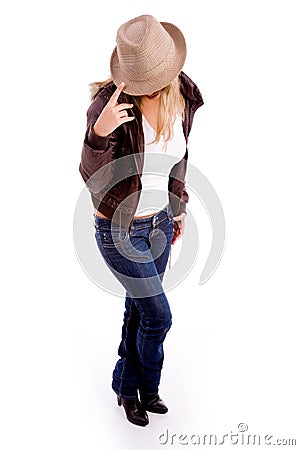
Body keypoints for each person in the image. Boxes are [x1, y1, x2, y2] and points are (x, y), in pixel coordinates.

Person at [79, 14, 204, 427]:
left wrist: (178, 206)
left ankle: (129, 388)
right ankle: (142, 387)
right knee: (158, 315)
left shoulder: (181, 93)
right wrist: (99, 132)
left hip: (160, 224)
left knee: (139, 308)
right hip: (118, 230)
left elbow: (179, 158)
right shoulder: (110, 105)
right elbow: (91, 176)